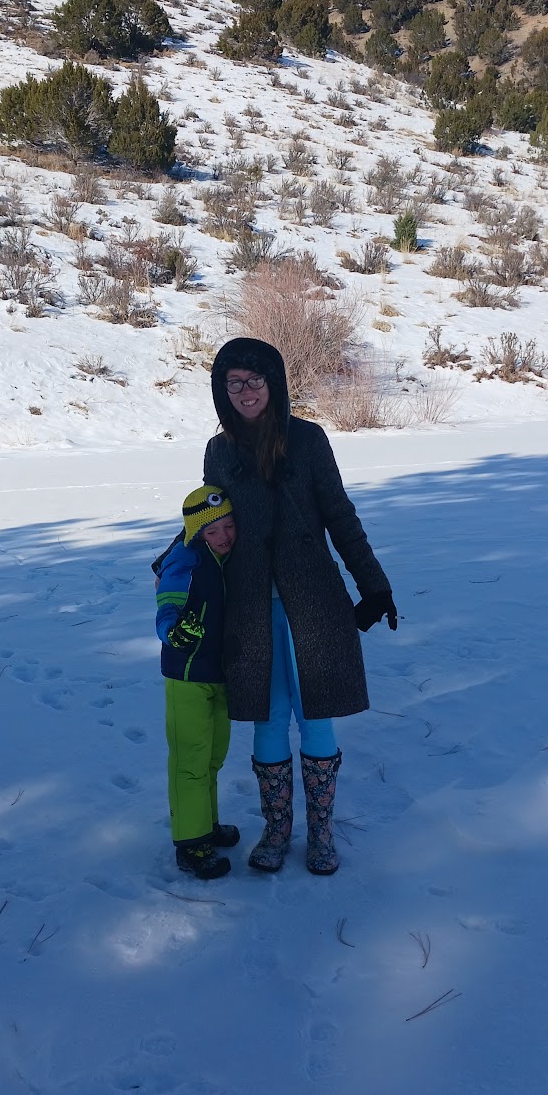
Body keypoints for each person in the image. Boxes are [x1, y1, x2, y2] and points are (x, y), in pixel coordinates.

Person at [203, 338, 397, 875]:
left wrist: (374, 586)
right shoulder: (219, 453)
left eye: (255, 380)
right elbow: (212, 532)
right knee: (267, 721)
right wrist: (185, 587)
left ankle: (321, 833)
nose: (246, 392)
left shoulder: (308, 440)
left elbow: (339, 513)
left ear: (275, 383)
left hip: (314, 605)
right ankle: (276, 829)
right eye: (234, 383)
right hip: (251, 610)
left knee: (316, 718)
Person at [155, 485, 241, 881]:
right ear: (195, 532)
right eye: (213, 531)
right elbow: (167, 600)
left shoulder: (227, 559)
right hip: (186, 675)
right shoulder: (185, 559)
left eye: (228, 525)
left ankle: (205, 825)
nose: (223, 536)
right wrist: (173, 631)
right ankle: (190, 844)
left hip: (218, 674)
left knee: (212, 758)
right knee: (189, 761)